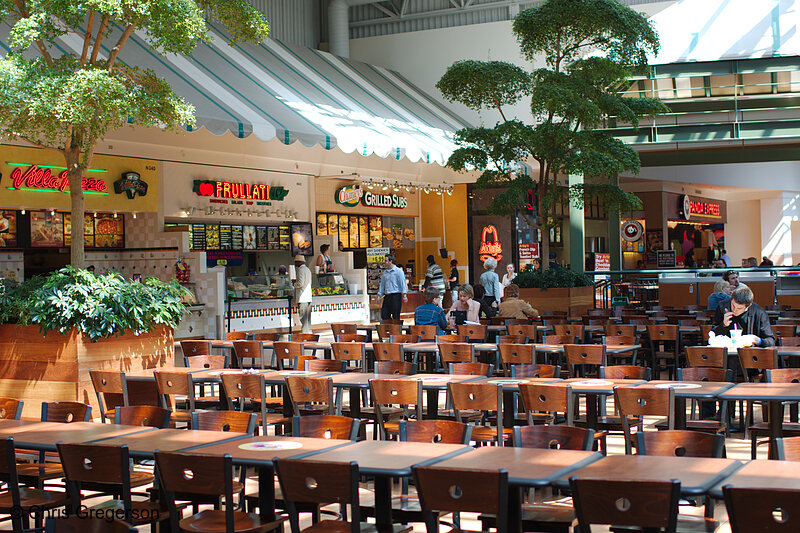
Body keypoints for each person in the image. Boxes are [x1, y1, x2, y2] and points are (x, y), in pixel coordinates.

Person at [377, 254, 407, 320]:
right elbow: (382, 285)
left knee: (396, 315)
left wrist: (404, 295)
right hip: (387, 296)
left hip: (396, 296)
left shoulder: (398, 271)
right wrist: (379, 296)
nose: (384, 262)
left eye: (386, 261)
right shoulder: (385, 272)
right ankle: (388, 328)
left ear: (390, 261)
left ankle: (395, 329)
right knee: (384, 315)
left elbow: (403, 283)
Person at [292, 255, 312, 334]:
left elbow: (300, 283)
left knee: (303, 318)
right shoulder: (308, 269)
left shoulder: (301, 270)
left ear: (299, 262)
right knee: (307, 319)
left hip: (302, 297)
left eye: (296, 262)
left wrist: (294, 283)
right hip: (308, 297)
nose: (295, 263)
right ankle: (309, 332)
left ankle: (304, 333)